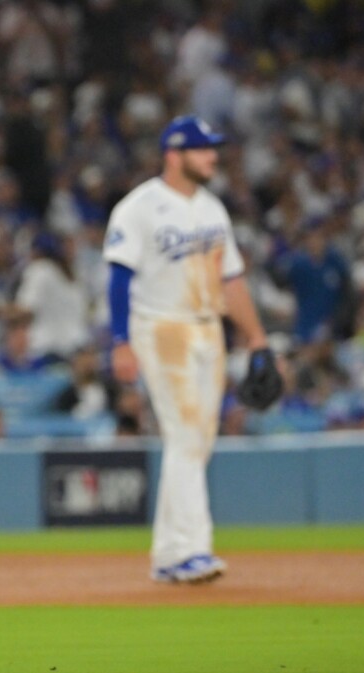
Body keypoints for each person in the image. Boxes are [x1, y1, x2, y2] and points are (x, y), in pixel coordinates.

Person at [103, 116, 280, 585]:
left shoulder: (212, 208)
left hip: (208, 327)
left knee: (198, 440)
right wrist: (120, 341)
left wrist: (257, 337)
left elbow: (231, 279)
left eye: (212, 149)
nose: (212, 157)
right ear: (174, 154)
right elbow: (119, 278)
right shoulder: (139, 207)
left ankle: (169, 553)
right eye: (202, 149)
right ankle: (191, 549)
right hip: (161, 326)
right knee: (185, 434)